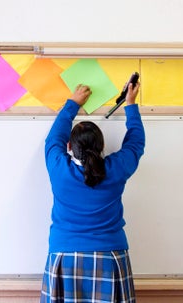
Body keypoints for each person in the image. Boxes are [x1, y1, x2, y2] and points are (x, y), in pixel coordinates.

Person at [40, 81, 145, 303]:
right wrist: (130, 103)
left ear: (69, 147)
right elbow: (136, 143)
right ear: (102, 146)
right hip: (109, 256)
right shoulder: (116, 169)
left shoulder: (59, 168)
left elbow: (53, 140)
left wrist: (73, 104)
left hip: (65, 255)